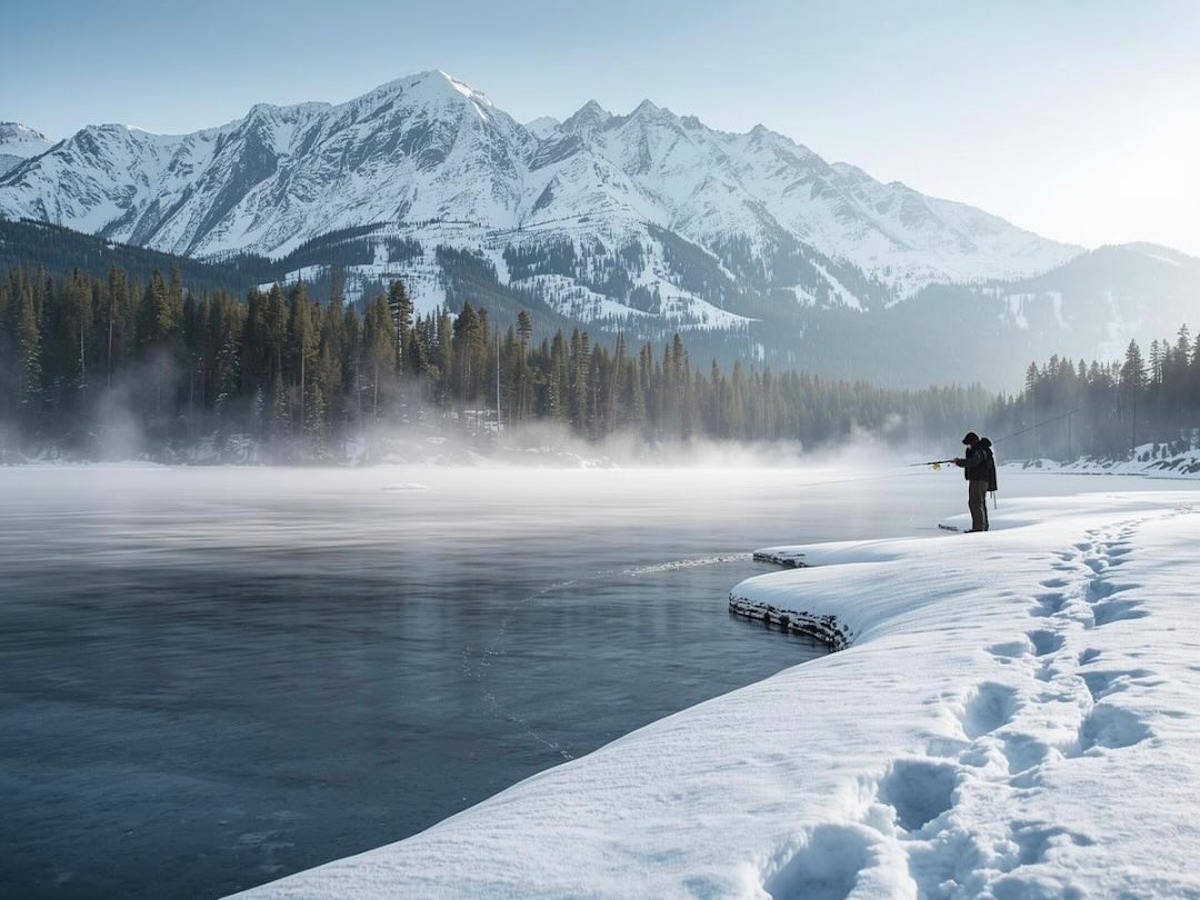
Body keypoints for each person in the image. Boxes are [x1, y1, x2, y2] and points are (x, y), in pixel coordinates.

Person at [954, 432, 996, 532]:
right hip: (982, 480)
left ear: (973, 442)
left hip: (978, 480)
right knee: (980, 503)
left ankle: (978, 528)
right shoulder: (982, 449)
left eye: (968, 444)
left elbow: (973, 462)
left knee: (975, 503)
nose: (968, 446)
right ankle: (983, 526)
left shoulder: (978, 450)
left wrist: (959, 462)